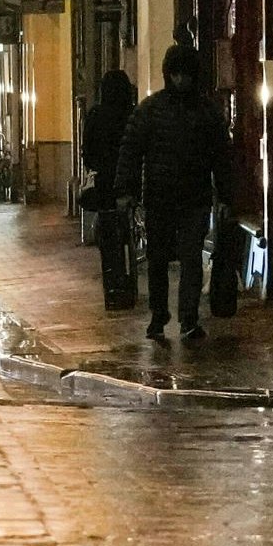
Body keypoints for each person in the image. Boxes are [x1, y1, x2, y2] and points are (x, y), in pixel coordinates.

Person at [124, 45, 222, 342]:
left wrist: (227, 195)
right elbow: (130, 152)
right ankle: (160, 314)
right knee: (159, 259)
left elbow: (222, 156)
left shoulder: (194, 111)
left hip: (187, 197)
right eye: (176, 74)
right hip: (163, 197)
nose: (181, 80)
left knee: (189, 258)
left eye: (185, 74)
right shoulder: (154, 110)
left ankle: (187, 318)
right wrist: (125, 189)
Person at [80, 68, 140, 310]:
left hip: (105, 187)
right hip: (129, 185)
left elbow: (88, 155)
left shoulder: (95, 115)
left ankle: (113, 289)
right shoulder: (132, 116)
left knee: (109, 243)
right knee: (131, 236)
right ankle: (131, 284)